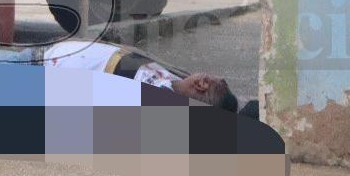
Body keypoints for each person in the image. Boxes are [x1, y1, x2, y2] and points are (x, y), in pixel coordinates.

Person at [31, 39, 239, 110]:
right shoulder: (172, 83)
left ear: (201, 84)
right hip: (48, 59)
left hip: (39, 67)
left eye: (208, 78)